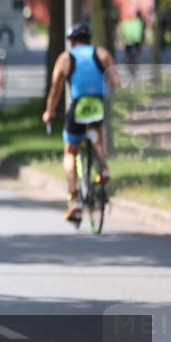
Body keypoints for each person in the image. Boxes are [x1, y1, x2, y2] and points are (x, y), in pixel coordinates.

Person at [42, 22, 121, 222]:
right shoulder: (101, 53)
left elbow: (55, 90)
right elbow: (117, 82)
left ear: (72, 41)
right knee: (95, 134)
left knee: (70, 151)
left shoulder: (66, 58)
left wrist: (49, 113)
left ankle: (74, 199)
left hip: (79, 105)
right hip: (98, 104)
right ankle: (103, 167)